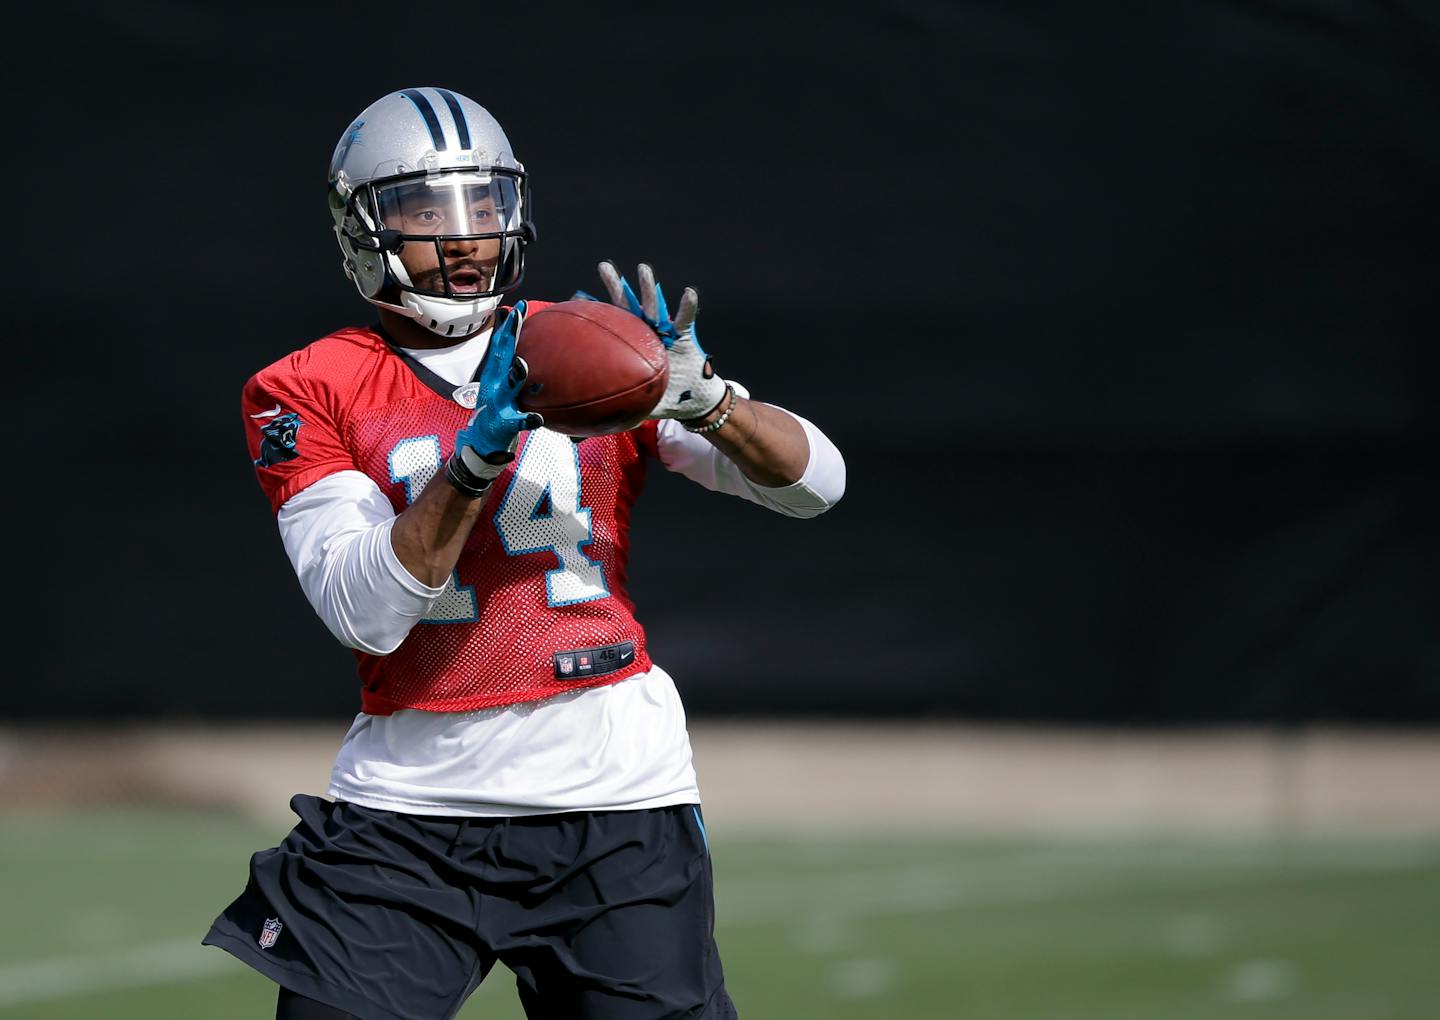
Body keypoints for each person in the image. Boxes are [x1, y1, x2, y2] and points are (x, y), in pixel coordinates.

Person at [202, 85, 845, 1020]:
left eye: (485, 203)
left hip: (612, 791)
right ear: (361, 227)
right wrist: (474, 461)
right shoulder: (310, 386)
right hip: (409, 806)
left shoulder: (591, 349)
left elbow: (815, 483)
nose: (466, 235)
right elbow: (364, 611)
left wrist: (705, 400)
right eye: (427, 209)